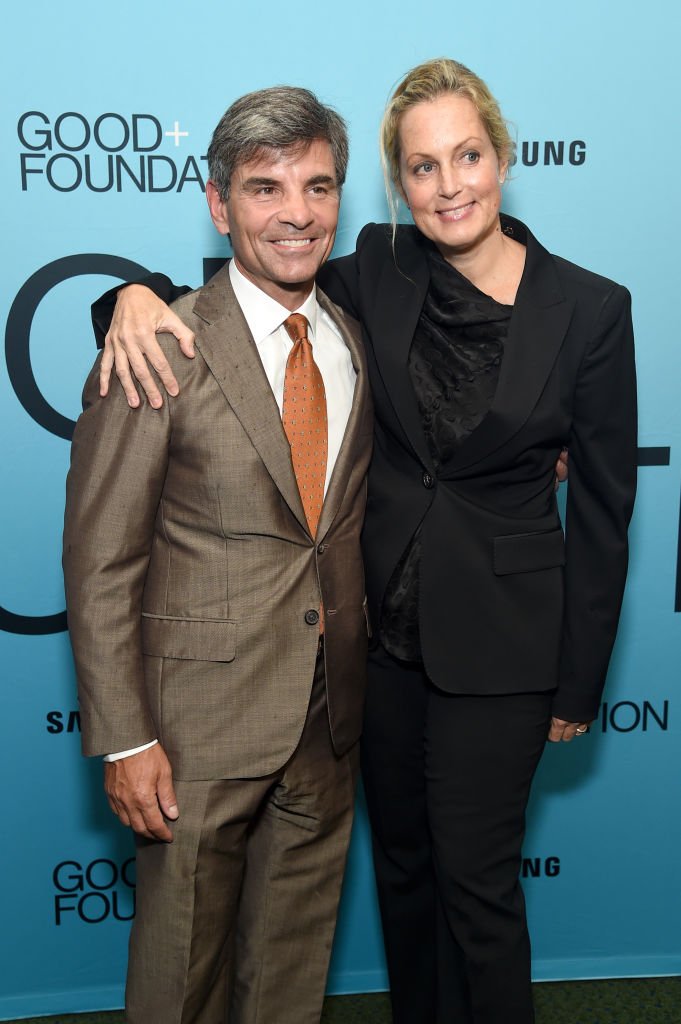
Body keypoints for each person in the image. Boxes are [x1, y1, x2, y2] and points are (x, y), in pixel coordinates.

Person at [92, 59, 637, 1024]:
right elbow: (240, 293)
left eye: (467, 156)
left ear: (503, 158)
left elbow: (601, 509)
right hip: (373, 650)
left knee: (476, 883)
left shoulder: (590, 307)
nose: (449, 183)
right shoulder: (374, 270)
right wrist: (130, 295)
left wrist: (578, 680)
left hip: (503, 645)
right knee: (404, 875)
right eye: (422, 167)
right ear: (397, 186)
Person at [63, 86, 373, 1024]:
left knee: (288, 974)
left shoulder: (350, 336)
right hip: (193, 732)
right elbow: (100, 558)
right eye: (265, 187)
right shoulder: (160, 341)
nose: (296, 213)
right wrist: (126, 736)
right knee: (178, 978)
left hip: (327, 718)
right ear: (218, 204)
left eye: (318, 187)